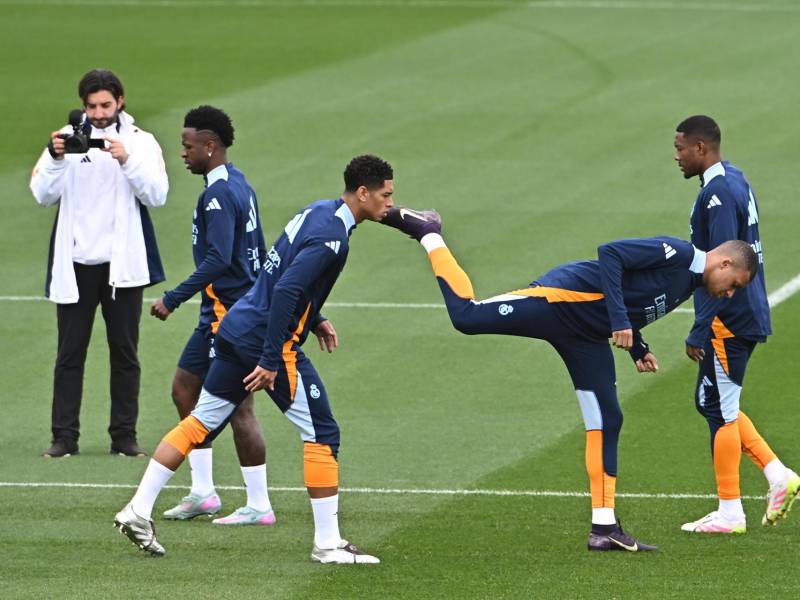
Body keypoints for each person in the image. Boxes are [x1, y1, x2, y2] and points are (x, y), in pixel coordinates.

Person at [381, 207, 757, 551]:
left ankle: (605, 527)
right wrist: (621, 323)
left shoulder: (688, 284)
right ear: (724, 262)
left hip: (587, 336)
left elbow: (634, 301)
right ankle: (428, 232)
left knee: (607, 418)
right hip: (559, 300)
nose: (729, 293)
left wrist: (637, 346)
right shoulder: (677, 253)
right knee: (467, 317)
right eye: (734, 284)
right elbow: (610, 254)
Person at [114, 154, 394, 563]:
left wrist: (316, 318)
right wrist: (269, 359)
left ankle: (137, 510)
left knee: (201, 421)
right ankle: (328, 543)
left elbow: (279, 274)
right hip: (266, 343)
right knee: (323, 432)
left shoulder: (319, 211)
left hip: (234, 328)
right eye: (385, 195)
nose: (389, 203)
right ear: (363, 193)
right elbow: (285, 292)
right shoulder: (332, 239)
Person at [30, 69, 168, 458]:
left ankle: (124, 437)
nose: (99, 113)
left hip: (122, 267)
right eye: (92, 106)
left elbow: (157, 194)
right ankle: (64, 438)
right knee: (69, 355)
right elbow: (42, 193)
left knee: (125, 354)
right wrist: (57, 158)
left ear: (120, 102)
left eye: (106, 104)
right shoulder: (67, 138)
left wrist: (127, 161)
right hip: (75, 263)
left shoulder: (141, 142)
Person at [673, 115, 799, 534]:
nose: (677, 156)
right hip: (744, 312)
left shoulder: (718, 196)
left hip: (731, 318)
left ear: (701, 148)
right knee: (713, 404)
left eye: (681, 148)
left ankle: (731, 511)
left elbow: (721, 268)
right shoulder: (734, 179)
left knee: (720, 409)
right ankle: (777, 474)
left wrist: (699, 327)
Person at [149, 106, 274, 526]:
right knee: (185, 389)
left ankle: (258, 504)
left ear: (210, 145)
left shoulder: (219, 194)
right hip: (219, 314)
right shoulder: (239, 182)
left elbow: (221, 258)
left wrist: (173, 297)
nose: (182, 153)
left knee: (239, 409)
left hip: (231, 316)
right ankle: (203, 492)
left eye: (187, 146)